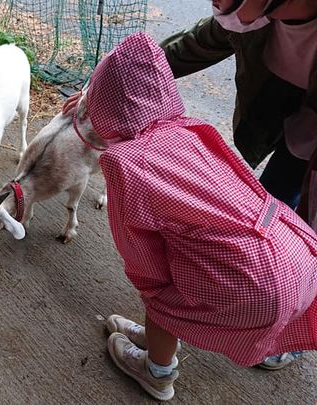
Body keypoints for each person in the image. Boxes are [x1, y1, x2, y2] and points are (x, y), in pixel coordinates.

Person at [64, 32, 317, 401]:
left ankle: (156, 370)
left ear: (104, 112)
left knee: (162, 293)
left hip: (254, 285)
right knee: (188, 272)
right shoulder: (190, 129)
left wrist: (156, 299)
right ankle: (157, 338)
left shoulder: (126, 164)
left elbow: (143, 260)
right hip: (297, 256)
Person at [160, 0, 317, 210]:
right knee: (266, 203)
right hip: (283, 106)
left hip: (311, 135)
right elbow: (193, 45)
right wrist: (131, 65)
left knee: (284, 206)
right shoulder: (255, 18)